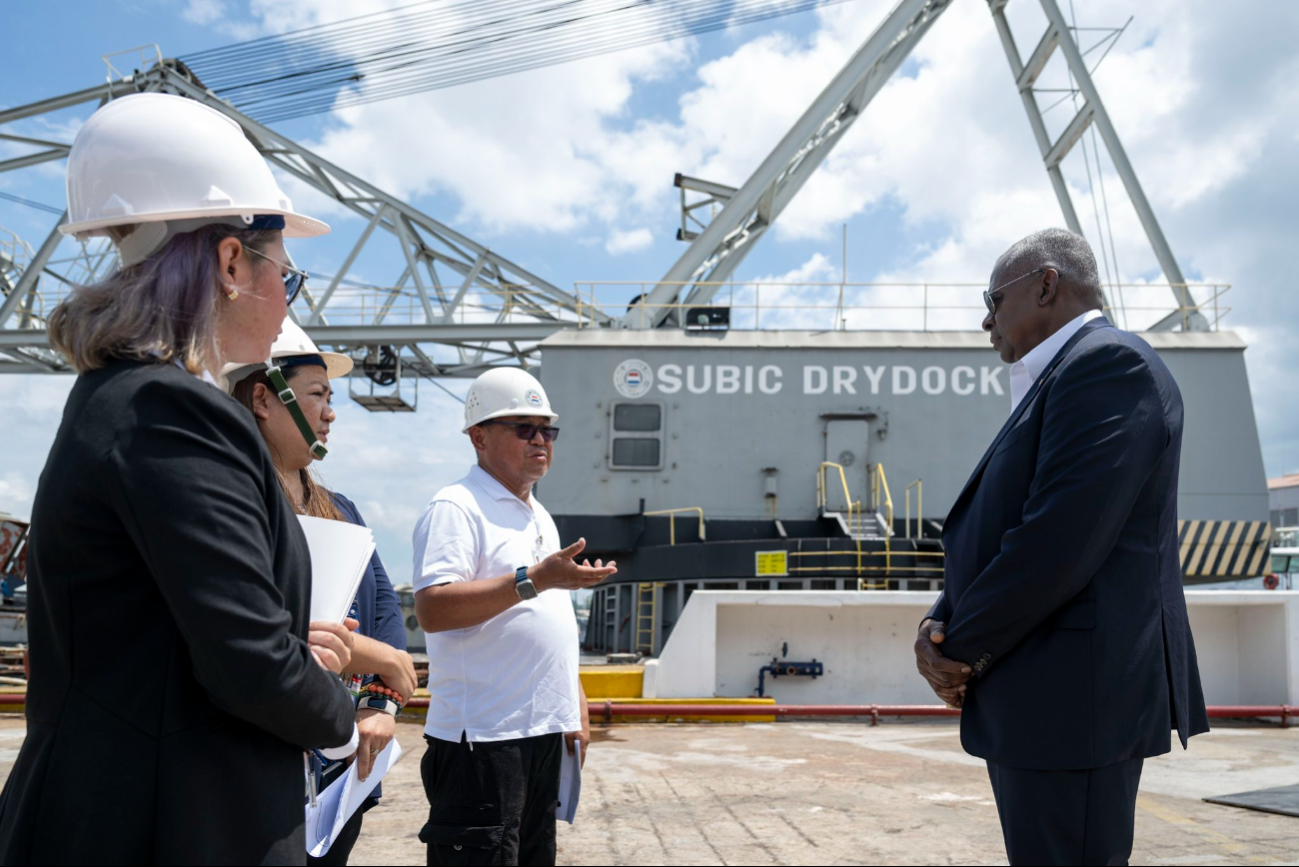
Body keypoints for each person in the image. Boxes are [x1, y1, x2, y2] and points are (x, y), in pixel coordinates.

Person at [0, 93, 358, 865]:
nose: (283, 301)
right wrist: (338, 703)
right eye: (286, 280)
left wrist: (293, 648)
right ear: (233, 262)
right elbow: (250, 663)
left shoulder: (113, 399)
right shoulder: (171, 409)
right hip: (171, 825)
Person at [913, 228, 1209, 865]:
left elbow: (1058, 539)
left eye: (994, 298)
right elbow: (1009, 529)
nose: (986, 318)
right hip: (1049, 698)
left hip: (1073, 703)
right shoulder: (1066, 377)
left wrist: (956, 650)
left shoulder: (1108, 365)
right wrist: (939, 622)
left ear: (1047, 284)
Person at [224, 321, 417, 866]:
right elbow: (259, 624)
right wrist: (376, 656)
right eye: (317, 397)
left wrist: (380, 705)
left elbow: (383, 606)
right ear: (263, 398)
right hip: (265, 759)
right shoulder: (235, 505)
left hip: (342, 765)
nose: (331, 413)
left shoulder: (343, 508)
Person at [411, 368, 616, 867]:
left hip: (541, 733)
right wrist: (534, 580)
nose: (541, 440)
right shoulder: (457, 506)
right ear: (479, 437)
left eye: (548, 430)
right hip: (482, 739)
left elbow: (550, 620)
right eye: (524, 428)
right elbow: (433, 608)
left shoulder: (535, 513)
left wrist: (575, 706)